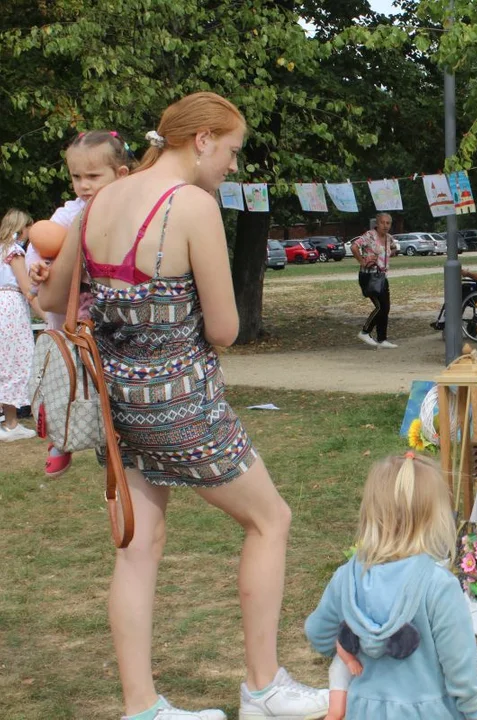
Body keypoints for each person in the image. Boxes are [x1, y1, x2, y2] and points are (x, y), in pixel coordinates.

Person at [37, 92, 329, 720]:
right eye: (229, 151)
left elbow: (52, 299)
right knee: (269, 520)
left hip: (119, 407)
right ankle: (263, 688)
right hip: (180, 403)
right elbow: (225, 329)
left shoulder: (101, 200)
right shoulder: (191, 205)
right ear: (202, 140)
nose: (230, 165)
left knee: (137, 550)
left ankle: (143, 709)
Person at [304, 452, 477, 720]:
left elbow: (318, 633)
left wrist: (353, 649)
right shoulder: (439, 586)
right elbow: (461, 667)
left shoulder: (346, 578)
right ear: (434, 519)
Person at [29, 130, 134, 476]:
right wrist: (39, 268)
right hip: (76, 307)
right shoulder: (69, 213)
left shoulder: (131, 211)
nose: (83, 185)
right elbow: (40, 245)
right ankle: (61, 435)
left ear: (121, 174)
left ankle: (116, 430)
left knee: (112, 374)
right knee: (70, 370)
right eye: (76, 177)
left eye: (93, 176)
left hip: (114, 306)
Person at [0, 209, 39, 442]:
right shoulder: (14, 252)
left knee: (3, 361)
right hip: (10, 308)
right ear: (21, 228)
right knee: (15, 361)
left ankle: (8, 420)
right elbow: (27, 289)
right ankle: (11, 424)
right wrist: (45, 313)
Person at [353, 212, 395, 349]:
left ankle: (382, 339)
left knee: (386, 308)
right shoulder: (370, 236)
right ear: (377, 223)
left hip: (382, 276)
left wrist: (391, 252)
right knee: (380, 307)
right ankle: (365, 332)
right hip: (369, 276)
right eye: (382, 222)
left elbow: (391, 251)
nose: (385, 226)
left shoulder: (389, 238)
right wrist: (362, 260)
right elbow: (354, 246)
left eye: (388, 223)